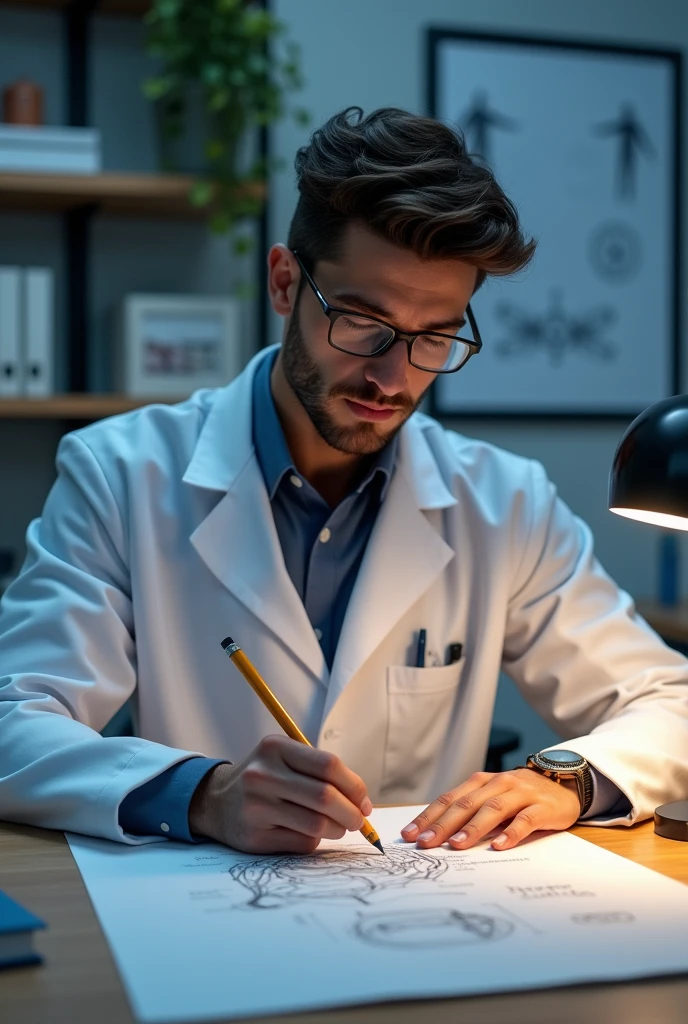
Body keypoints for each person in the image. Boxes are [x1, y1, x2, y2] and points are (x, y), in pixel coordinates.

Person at [1, 107, 686, 857]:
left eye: (435, 337)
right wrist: (203, 794)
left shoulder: (505, 502)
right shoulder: (120, 474)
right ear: (285, 282)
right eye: (363, 321)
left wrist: (567, 779)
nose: (393, 377)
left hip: (421, 924)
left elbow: (670, 700)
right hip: (203, 925)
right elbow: (15, 721)